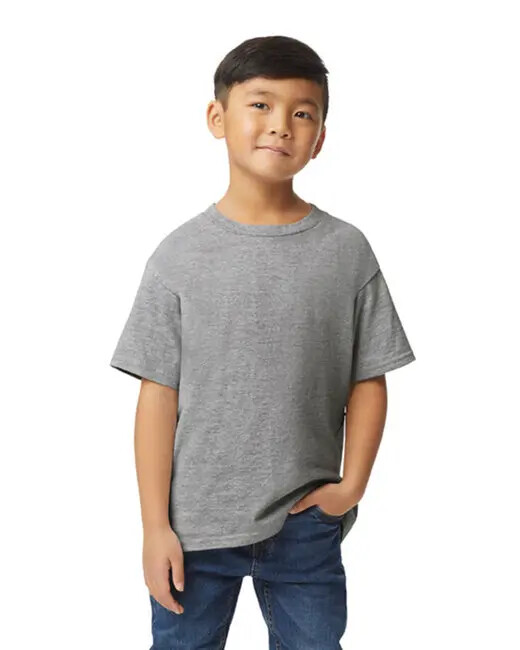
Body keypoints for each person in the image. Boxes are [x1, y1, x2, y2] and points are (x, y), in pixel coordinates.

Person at [109, 34, 416, 649]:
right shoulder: (178, 256)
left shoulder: (346, 251)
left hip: (306, 521)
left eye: (302, 113)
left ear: (320, 137)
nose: (281, 125)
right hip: (194, 528)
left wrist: (351, 488)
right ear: (217, 117)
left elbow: (368, 378)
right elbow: (157, 397)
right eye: (260, 104)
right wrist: (154, 528)